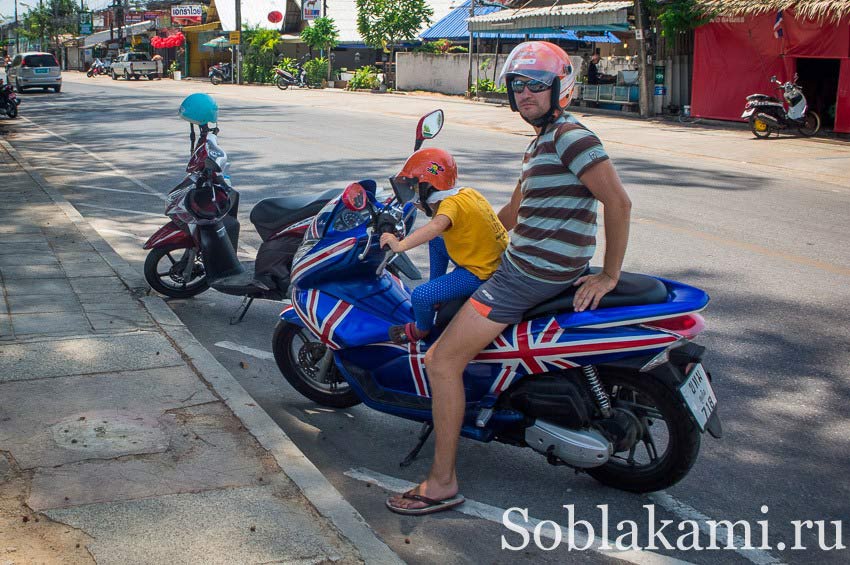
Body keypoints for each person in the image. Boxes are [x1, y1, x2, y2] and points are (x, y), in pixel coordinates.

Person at [386, 41, 632, 515]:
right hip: (530, 265)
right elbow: (512, 215)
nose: (525, 94)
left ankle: (441, 483)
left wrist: (609, 273)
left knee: (440, 361)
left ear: (562, 87)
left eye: (537, 85)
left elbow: (618, 202)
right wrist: (467, 230)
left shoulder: (570, 137)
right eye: (518, 85)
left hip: (527, 276)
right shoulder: (541, 142)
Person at [380, 148, 508, 345]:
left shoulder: (449, 205)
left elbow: (436, 225)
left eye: (414, 190)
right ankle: (438, 297)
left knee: (421, 296)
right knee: (438, 241)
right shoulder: (467, 194)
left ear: (427, 187)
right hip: (493, 259)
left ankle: (421, 329)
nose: (413, 199)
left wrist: (399, 245)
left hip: (481, 272)